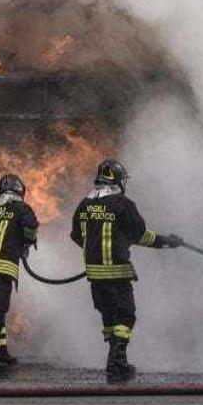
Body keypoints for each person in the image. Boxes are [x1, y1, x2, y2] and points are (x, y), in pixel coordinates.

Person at [70, 158, 182, 384]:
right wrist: (168, 242)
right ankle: (116, 360)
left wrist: (97, 248)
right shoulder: (123, 204)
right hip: (118, 273)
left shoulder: (84, 205)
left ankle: (117, 363)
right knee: (125, 316)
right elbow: (140, 234)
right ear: (117, 180)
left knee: (110, 319)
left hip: (95, 276)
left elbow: (76, 235)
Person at [0, 173, 39, 378]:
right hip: (2, 267)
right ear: (20, 191)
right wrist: (27, 243)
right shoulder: (22, 208)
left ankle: (0, 354)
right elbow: (31, 227)